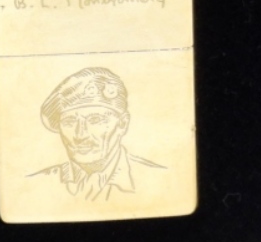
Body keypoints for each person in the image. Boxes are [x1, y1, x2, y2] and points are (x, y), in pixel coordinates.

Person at [29, 66, 164, 201]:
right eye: (69, 122)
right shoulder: (35, 186)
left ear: (122, 124)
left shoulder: (158, 180)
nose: (80, 135)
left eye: (95, 120)